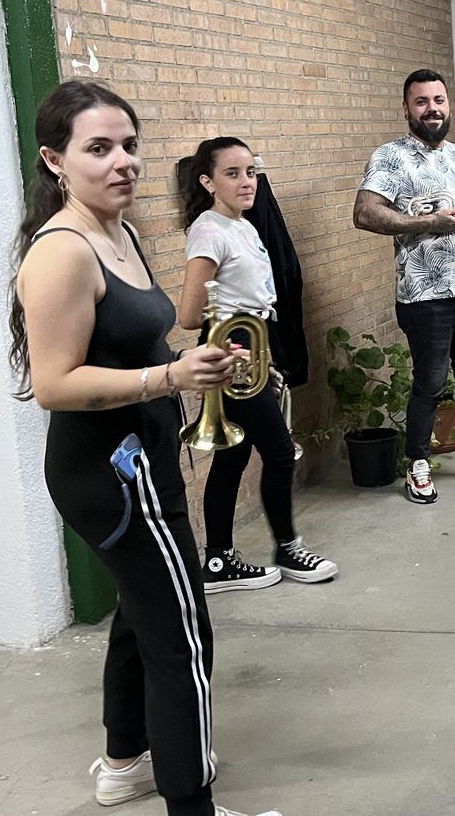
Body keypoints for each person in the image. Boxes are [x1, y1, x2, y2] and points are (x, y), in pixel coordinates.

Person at [9, 81, 280, 816]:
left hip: (146, 456)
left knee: (141, 611)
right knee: (182, 634)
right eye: (98, 148)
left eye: (128, 144)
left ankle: (126, 761)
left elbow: (136, 339)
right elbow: (55, 384)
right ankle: (190, 805)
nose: (122, 161)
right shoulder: (62, 252)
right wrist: (166, 373)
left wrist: (196, 368)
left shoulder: (118, 233)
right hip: (108, 475)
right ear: (55, 160)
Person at [176, 137, 337, 593]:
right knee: (281, 451)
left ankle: (218, 562)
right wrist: (231, 345)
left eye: (251, 171)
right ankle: (288, 549)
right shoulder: (209, 231)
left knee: (235, 454)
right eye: (233, 173)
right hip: (233, 351)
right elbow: (189, 316)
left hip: (255, 343)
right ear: (208, 182)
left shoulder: (242, 225)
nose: (246, 181)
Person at [353, 68, 455, 504]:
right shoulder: (391, 158)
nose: (432, 109)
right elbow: (365, 213)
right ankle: (418, 463)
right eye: (421, 102)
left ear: (448, 105)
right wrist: (428, 222)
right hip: (427, 297)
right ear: (407, 108)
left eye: (438, 100)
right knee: (429, 382)